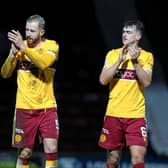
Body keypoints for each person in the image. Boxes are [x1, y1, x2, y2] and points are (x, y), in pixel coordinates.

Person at [1, 14, 59, 168]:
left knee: (51, 148)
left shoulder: (52, 46)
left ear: (42, 32)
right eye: (26, 30)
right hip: (24, 107)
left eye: (32, 31)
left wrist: (23, 48)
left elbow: (44, 63)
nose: (28, 34)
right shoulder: (19, 47)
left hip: (47, 107)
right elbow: (5, 74)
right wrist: (11, 55)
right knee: (25, 152)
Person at [98, 20, 154, 168]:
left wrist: (135, 62)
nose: (124, 35)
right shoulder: (112, 54)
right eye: (123, 31)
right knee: (113, 160)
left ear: (138, 36)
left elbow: (146, 82)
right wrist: (118, 62)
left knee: (137, 158)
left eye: (128, 32)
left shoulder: (147, 56)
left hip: (136, 116)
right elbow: (103, 80)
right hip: (114, 113)